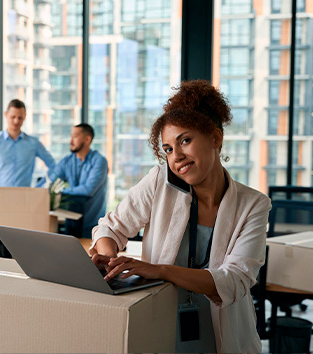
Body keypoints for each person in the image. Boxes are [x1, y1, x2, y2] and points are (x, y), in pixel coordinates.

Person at [90, 81, 271, 353]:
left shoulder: (253, 205)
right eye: (168, 149)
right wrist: (110, 258)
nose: (176, 157)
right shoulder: (159, 182)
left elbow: (235, 281)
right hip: (161, 324)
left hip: (222, 337)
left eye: (185, 140)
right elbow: (110, 228)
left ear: (215, 138)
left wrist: (160, 270)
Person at [0, 99, 55, 187]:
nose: (16, 121)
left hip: (25, 197)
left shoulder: (33, 143)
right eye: (13, 117)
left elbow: (54, 167)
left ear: (25, 116)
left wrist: (39, 186)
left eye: (20, 117)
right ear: (6, 114)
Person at [48, 123, 108, 238]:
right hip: (71, 223)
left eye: (75, 136)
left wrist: (61, 191)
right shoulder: (67, 161)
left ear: (87, 139)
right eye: (71, 136)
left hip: (92, 225)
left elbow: (88, 190)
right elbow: (51, 181)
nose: (71, 141)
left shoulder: (99, 161)